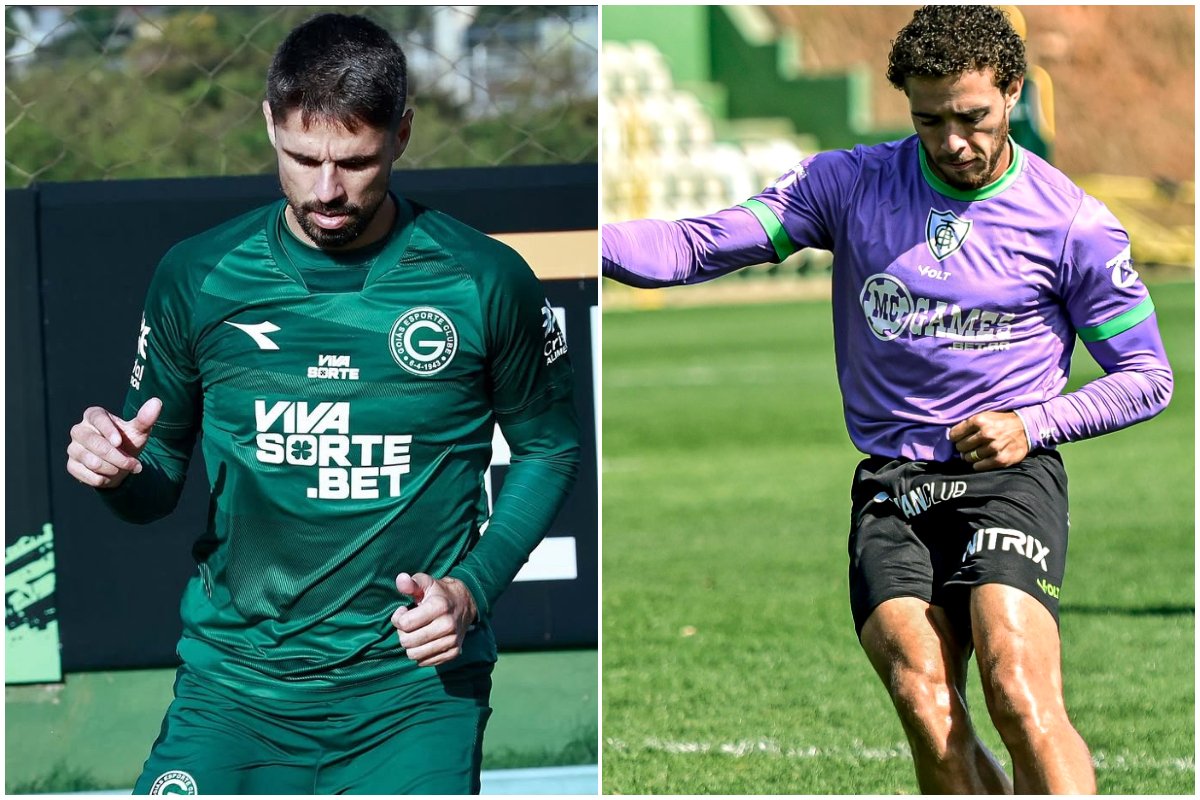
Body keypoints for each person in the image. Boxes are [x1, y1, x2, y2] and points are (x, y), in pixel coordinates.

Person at [602, 5, 1171, 795]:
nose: (952, 142)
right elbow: (697, 245)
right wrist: (578, 243)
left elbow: (1148, 376)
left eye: (971, 117)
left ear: (1012, 93)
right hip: (891, 487)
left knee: (1017, 687)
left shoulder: (1072, 223)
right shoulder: (850, 184)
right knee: (926, 704)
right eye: (928, 120)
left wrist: (1032, 423)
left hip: (1009, 479)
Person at [65, 13, 580, 795]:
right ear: (269, 123)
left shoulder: (483, 278)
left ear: (402, 134)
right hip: (236, 687)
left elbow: (549, 448)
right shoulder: (197, 276)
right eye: (304, 158)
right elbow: (158, 475)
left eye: (356, 161)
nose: (328, 190)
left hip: (411, 696)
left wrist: (470, 590)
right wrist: (118, 473)